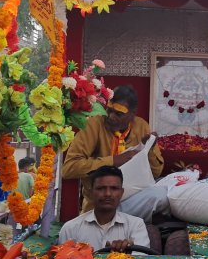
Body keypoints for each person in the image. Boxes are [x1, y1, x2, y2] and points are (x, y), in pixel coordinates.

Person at [62, 85, 167, 222]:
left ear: (132, 114)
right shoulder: (94, 124)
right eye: (109, 110)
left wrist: (150, 149)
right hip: (98, 205)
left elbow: (156, 173)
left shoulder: (141, 126)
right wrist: (113, 161)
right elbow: (68, 168)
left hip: (131, 201)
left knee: (161, 194)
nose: (111, 117)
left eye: (119, 114)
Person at [58, 165, 150, 253]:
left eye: (114, 188)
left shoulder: (136, 225)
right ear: (91, 193)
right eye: (101, 188)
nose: (108, 194)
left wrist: (126, 256)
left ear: (121, 193)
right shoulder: (70, 228)